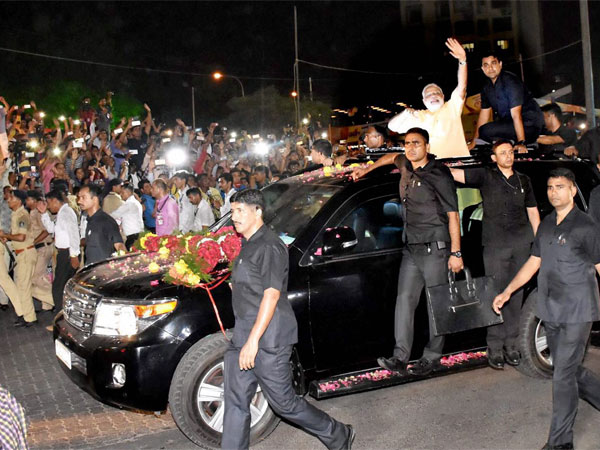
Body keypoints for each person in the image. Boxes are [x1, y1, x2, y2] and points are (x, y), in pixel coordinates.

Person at [222, 189, 355, 450]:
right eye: (233, 210)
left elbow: (271, 296)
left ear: (258, 212)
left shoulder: (270, 246)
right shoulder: (248, 243)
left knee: (284, 404)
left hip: (268, 339)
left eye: (240, 211)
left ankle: (338, 433)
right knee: (235, 401)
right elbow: (253, 285)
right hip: (244, 334)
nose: (234, 216)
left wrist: (253, 342)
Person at [493, 168, 600, 450]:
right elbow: (533, 262)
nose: (554, 192)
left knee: (562, 376)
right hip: (550, 311)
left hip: (578, 311)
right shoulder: (546, 224)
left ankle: (560, 442)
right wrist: (508, 291)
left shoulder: (586, 226)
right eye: (551, 187)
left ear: (573, 190)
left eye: (560, 187)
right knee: (569, 369)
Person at [352, 127, 463, 376]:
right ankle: (400, 357)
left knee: (436, 305)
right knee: (404, 301)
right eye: (407, 143)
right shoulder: (406, 164)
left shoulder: (439, 174)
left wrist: (456, 253)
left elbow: (453, 215)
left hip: (435, 248)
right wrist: (366, 169)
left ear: (427, 147)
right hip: (411, 248)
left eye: (417, 143)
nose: (411, 147)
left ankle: (432, 357)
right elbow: (391, 157)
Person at [450, 139, 540, 368]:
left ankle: (511, 345)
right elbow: (454, 174)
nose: (508, 156)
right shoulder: (486, 176)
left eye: (510, 152)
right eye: (503, 153)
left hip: (521, 243)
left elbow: (533, 212)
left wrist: (540, 244)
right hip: (495, 245)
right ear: (494, 157)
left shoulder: (523, 180)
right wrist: (430, 164)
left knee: (516, 294)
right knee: (495, 294)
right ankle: (495, 347)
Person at [387, 38, 469, 158]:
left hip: (459, 163)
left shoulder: (452, 107)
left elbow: (462, 86)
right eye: (429, 95)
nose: (434, 95)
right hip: (434, 166)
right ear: (424, 101)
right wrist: (405, 113)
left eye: (437, 93)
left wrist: (462, 60)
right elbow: (392, 127)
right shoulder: (419, 116)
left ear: (443, 97)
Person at [469, 52, 543, 153]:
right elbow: (484, 115)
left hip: (529, 125)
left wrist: (521, 142)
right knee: (483, 131)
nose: (490, 68)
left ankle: (517, 143)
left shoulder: (511, 81)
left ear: (500, 64)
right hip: (510, 125)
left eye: (493, 63)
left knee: (486, 130)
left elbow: (516, 115)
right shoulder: (486, 87)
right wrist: (474, 142)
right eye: (486, 65)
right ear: (482, 69)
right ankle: (509, 144)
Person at [2, 190, 51, 327]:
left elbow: (21, 237)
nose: (8, 200)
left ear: (19, 201)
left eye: (11, 198)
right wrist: (8, 237)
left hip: (25, 254)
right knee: (23, 286)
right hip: (22, 253)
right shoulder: (17, 215)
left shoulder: (22, 216)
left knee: (24, 287)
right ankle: (28, 315)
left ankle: (30, 317)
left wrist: (6, 235)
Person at [39, 189, 80, 313]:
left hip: (68, 254)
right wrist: (44, 214)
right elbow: (52, 229)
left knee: (59, 287)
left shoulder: (66, 213)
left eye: (48, 203)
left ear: (55, 201)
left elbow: (74, 235)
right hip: (64, 253)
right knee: (62, 286)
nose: (48, 206)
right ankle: (64, 314)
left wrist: (74, 255)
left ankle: (61, 315)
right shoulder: (61, 213)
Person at [77, 185, 126, 264]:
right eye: (79, 197)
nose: (79, 201)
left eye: (83, 197)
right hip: (92, 269)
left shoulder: (106, 221)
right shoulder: (90, 220)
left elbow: (120, 246)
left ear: (95, 199)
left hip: (104, 269)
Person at [26, 190, 54, 312]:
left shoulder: (39, 213)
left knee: (36, 277)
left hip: (43, 247)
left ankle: (53, 300)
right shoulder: (33, 212)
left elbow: (46, 231)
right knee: (40, 276)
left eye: (28, 199)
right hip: (40, 248)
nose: (26, 201)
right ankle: (47, 305)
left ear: (34, 200)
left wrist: (33, 242)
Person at [110, 183, 144, 250]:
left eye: (122, 192)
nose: (121, 194)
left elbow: (114, 215)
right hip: (136, 234)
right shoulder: (136, 202)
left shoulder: (130, 204)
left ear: (128, 192)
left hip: (133, 236)